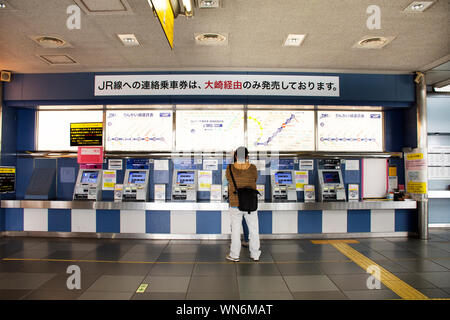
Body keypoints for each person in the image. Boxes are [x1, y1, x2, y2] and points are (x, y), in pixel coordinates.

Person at [225, 147, 261, 262]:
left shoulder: (230, 168)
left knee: (235, 230)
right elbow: (255, 179)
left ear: (235, 156)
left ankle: (234, 255)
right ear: (247, 156)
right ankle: (255, 254)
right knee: (254, 229)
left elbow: (228, 180)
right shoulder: (253, 168)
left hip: (235, 203)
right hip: (250, 203)